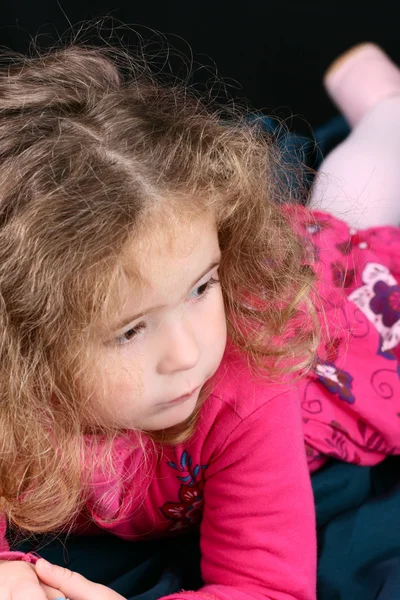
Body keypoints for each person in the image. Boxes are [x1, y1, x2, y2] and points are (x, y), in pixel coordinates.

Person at [0, 36, 398, 600]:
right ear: (20, 346)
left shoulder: (245, 386)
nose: (188, 353)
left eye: (201, 286)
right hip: (169, 270)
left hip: (330, 323)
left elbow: (268, 587)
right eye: (130, 330)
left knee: (347, 233)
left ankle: (385, 109)